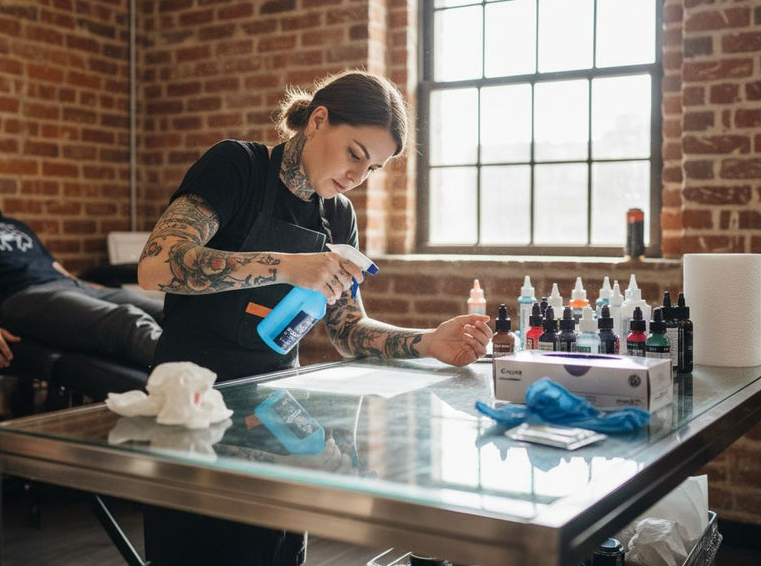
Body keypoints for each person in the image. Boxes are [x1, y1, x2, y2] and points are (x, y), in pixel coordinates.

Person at [136, 70, 494, 565]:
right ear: (318, 121)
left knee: (275, 552)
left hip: (275, 410)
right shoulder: (237, 166)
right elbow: (157, 265)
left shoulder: (337, 215)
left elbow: (348, 331)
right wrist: (285, 264)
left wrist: (428, 341)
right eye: (354, 154)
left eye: (372, 168)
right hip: (192, 403)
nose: (357, 177)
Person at [0, 137, 162, 372]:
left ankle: (195, 382)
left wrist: (95, 289)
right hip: (20, 299)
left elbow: (58, 270)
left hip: (73, 288)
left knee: (169, 311)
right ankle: (196, 387)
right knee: (129, 323)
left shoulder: (13, 224)